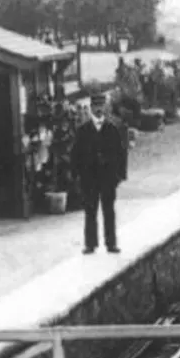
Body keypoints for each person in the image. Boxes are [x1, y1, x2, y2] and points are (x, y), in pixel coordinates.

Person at [71, 92, 127, 254]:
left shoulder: (112, 129)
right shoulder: (83, 131)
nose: (99, 110)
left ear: (105, 107)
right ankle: (90, 244)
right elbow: (75, 154)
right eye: (95, 106)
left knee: (109, 210)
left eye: (101, 106)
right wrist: (77, 175)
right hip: (89, 179)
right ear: (91, 108)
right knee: (90, 211)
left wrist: (119, 176)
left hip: (108, 178)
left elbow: (120, 154)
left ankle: (111, 243)